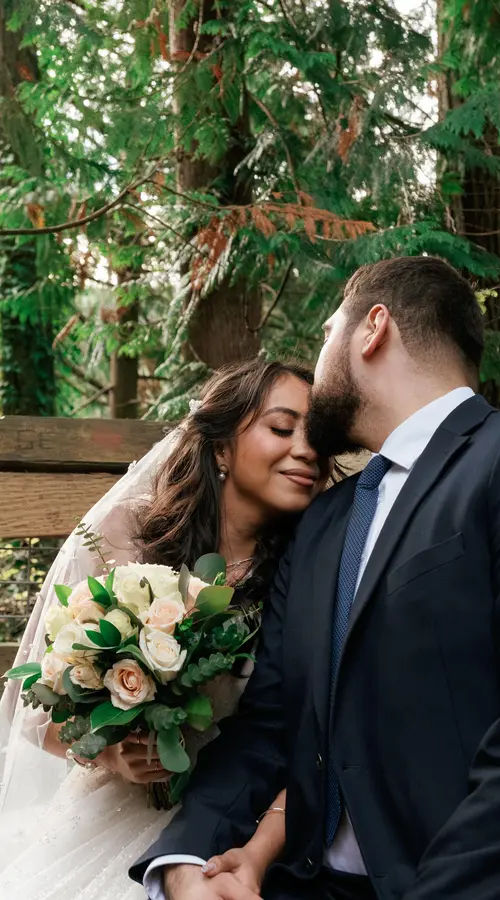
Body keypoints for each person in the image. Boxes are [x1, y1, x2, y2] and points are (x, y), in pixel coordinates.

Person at [134, 255, 500, 900]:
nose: (317, 355)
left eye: (326, 333)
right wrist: (187, 859)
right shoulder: (321, 524)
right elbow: (269, 723)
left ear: (372, 328)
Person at [0, 359, 330, 900]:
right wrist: (108, 751)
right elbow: (29, 702)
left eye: (317, 437)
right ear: (221, 448)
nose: (307, 450)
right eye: (281, 428)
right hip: (121, 812)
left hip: (247, 822)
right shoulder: (127, 534)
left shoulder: (312, 565)